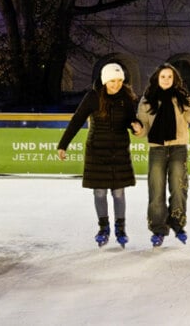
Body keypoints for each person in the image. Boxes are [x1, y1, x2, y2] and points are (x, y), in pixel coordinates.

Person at [134, 62, 190, 247]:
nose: (166, 80)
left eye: (169, 77)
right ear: (157, 79)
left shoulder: (183, 99)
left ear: (175, 79)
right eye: (163, 77)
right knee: (156, 189)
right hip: (157, 149)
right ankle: (158, 229)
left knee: (179, 187)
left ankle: (177, 223)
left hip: (178, 149)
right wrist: (137, 129)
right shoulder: (147, 100)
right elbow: (143, 129)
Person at [57, 62, 141, 248]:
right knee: (100, 192)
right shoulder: (92, 97)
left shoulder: (126, 97)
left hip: (119, 150)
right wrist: (63, 144)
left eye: (119, 80)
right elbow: (77, 120)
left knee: (119, 192)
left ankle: (120, 228)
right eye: (112, 80)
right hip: (97, 150)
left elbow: (130, 119)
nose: (116, 84)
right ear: (104, 80)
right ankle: (103, 228)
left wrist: (135, 126)